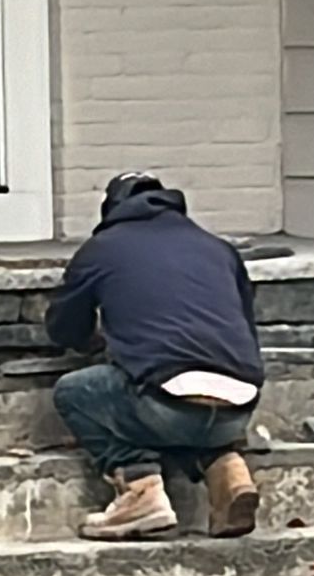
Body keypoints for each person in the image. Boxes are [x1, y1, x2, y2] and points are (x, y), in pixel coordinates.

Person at [46, 171, 265, 541]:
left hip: (166, 406)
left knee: (75, 391)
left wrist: (97, 343)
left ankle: (139, 492)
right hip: (239, 407)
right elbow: (243, 325)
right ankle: (227, 469)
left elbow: (64, 329)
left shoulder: (102, 249)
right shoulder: (218, 248)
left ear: (111, 210)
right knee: (184, 403)